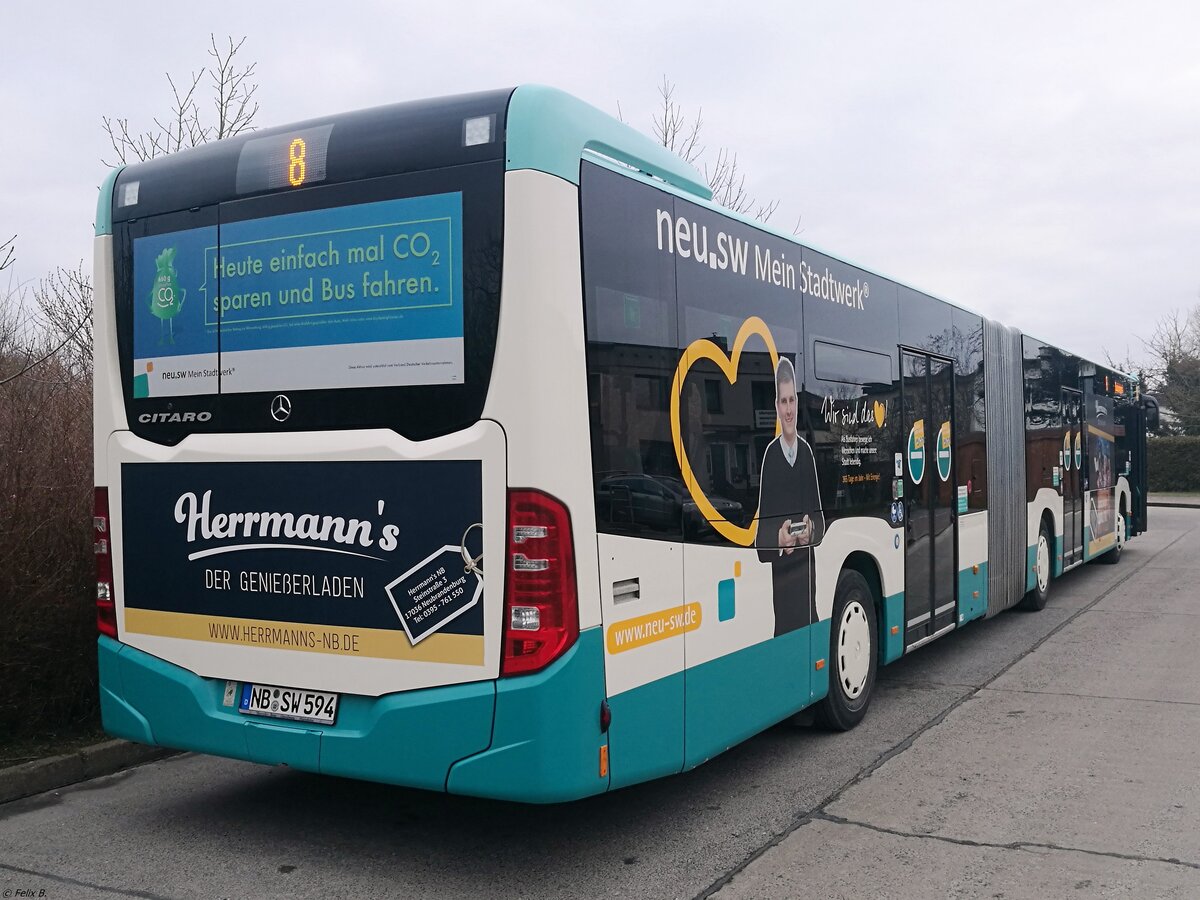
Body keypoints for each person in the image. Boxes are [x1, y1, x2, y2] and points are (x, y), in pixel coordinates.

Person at [755, 357, 825, 635]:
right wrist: (778, 539)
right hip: (783, 608)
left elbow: (820, 518)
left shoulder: (807, 453)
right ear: (776, 406)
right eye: (783, 401)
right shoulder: (770, 458)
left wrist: (811, 530)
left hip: (809, 601)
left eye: (792, 400)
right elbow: (760, 541)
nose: (788, 409)